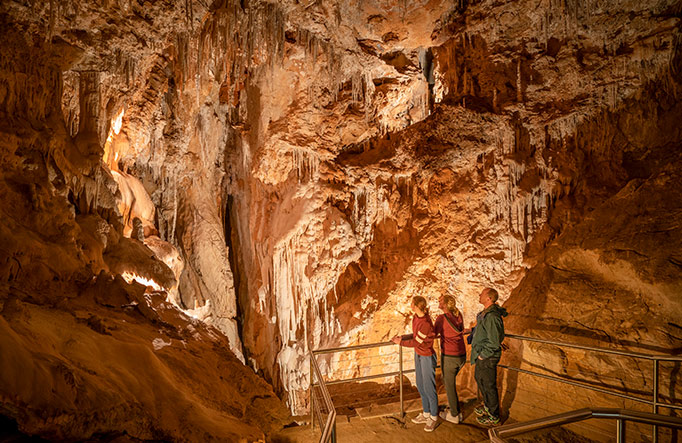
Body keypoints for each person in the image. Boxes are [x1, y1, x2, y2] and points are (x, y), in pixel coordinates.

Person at [392, 295, 439, 432]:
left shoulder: (426, 323)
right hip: (418, 354)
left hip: (426, 356)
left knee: (429, 387)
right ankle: (426, 413)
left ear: (418, 306)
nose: (410, 306)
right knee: (420, 384)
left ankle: (434, 417)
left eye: (412, 304)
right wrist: (402, 337)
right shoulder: (416, 318)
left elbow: (417, 341)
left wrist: (401, 342)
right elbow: (414, 335)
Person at [470, 287, 508, 425]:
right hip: (482, 354)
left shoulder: (492, 316)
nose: (479, 295)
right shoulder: (486, 314)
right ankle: (487, 406)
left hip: (487, 356)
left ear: (489, 298)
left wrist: (483, 355)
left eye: (482, 294)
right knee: (481, 381)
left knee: (489, 385)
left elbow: (494, 340)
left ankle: (494, 415)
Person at [434, 294, 466, 424]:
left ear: (446, 304)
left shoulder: (441, 318)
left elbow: (433, 333)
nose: (438, 301)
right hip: (461, 355)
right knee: (449, 382)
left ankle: (454, 414)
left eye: (441, 300)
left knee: (449, 385)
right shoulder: (458, 315)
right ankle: (454, 408)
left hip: (449, 356)